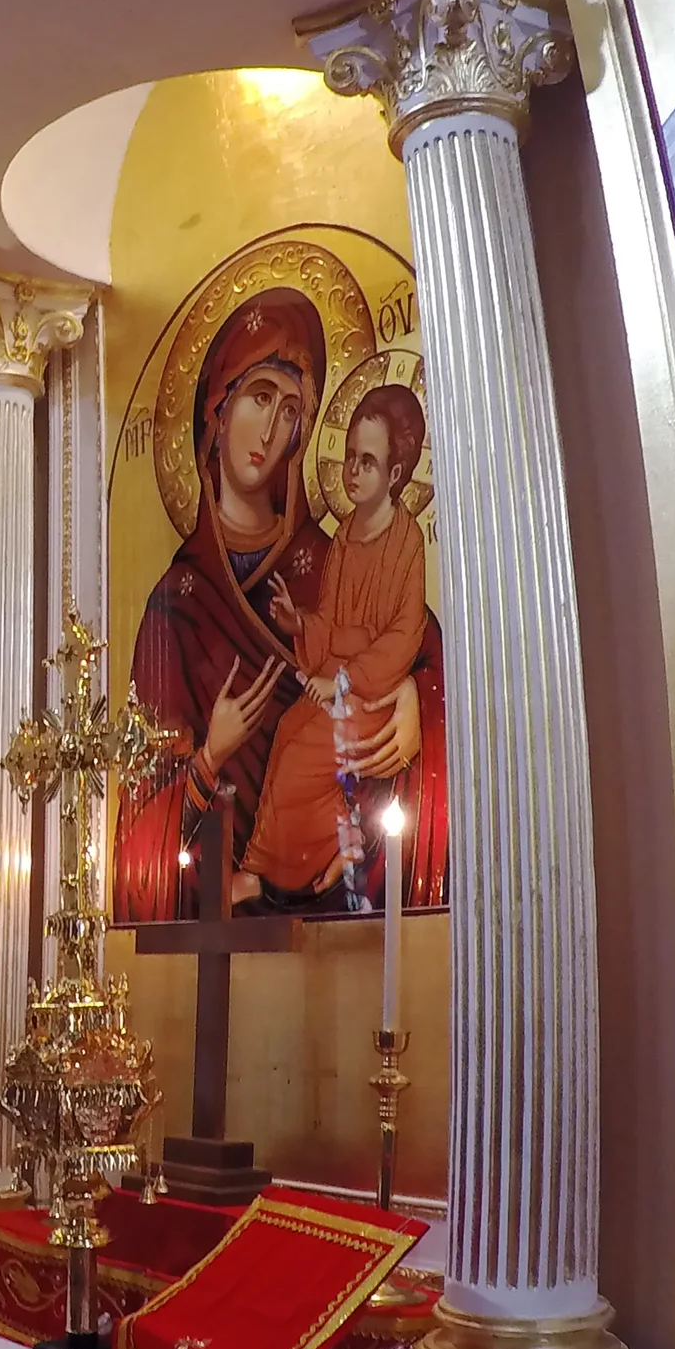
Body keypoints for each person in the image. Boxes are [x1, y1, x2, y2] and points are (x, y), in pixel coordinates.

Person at [114, 288, 332, 922]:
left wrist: (407, 698)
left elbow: (406, 650)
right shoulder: (173, 606)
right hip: (214, 905)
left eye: (290, 411)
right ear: (220, 403)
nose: (270, 430)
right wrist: (211, 754)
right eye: (260, 398)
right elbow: (137, 836)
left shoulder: (326, 564)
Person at [245, 383, 428, 909]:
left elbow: (403, 634)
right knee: (286, 729)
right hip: (337, 683)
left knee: (306, 751)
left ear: (395, 474)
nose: (352, 471)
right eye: (349, 457)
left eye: (367, 461)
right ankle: (271, 858)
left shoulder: (406, 542)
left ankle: (300, 861)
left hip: (372, 695)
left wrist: (345, 680)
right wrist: (299, 623)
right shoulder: (344, 535)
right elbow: (329, 619)